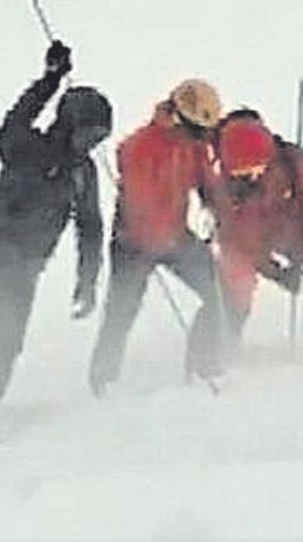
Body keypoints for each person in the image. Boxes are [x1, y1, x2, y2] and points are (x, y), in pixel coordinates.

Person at [0, 40, 111, 432]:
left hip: (27, 266)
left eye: (98, 140)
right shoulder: (26, 146)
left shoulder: (82, 173)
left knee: (10, 341)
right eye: (87, 135)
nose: (90, 146)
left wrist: (87, 281)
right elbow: (13, 122)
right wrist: (50, 79)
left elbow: (91, 229)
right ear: (69, 124)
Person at [87, 79, 225, 396]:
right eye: (198, 130)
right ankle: (102, 379)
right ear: (180, 118)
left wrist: (218, 209)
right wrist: (153, 242)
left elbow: (206, 183)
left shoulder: (194, 145)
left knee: (216, 290)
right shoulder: (141, 147)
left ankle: (203, 365)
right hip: (132, 243)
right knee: (121, 311)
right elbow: (141, 202)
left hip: (176, 237)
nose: (203, 137)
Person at [207, 119, 303, 347]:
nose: (249, 177)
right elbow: (237, 239)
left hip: (295, 230)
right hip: (245, 245)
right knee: (233, 287)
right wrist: (275, 272)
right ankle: (222, 345)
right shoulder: (220, 185)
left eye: (254, 168)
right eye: (240, 172)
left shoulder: (294, 164)